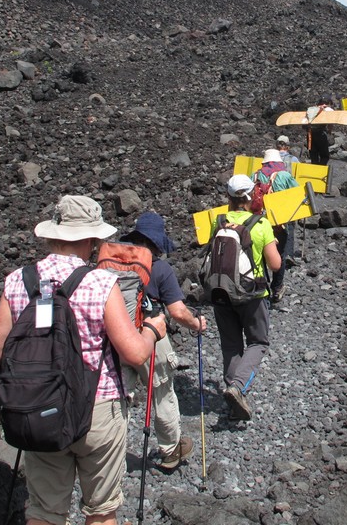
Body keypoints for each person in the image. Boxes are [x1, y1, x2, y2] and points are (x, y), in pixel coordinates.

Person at [0, 194, 166, 525]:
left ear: (53, 233)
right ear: (93, 239)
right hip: (97, 407)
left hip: (39, 406)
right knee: (100, 511)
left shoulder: (19, 280)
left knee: (43, 511)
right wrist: (154, 330)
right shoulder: (99, 282)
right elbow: (135, 353)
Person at [119, 212, 207, 470]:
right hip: (151, 337)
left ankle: (110, 456)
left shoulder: (116, 265)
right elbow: (178, 312)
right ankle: (170, 451)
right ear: (157, 243)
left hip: (118, 336)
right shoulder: (159, 268)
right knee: (162, 393)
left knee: (120, 396)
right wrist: (196, 324)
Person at [210, 174, 282, 421]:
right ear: (253, 196)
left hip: (221, 293)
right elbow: (275, 264)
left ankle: (233, 393)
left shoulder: (218, 221)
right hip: (253, 294)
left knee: (231, 346)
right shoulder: (260, 224)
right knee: (258, 342)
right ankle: (238, 387)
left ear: (228, 197)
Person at [251, 150, 298, 304]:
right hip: (278, 222)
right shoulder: (284, 176)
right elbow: (297, 194)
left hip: (258, 222)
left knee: (260, 253)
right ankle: (277, 288)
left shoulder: (255, 176)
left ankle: (262, 286)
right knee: (280, 254)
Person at [306, 96, 334, 165]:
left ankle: (314, 171)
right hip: (320, 134)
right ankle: (321, 170)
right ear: (328, 103)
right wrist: (329, 131)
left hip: (310, 135)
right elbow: (331, 123)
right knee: (324, 156)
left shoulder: (311, 109)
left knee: (313, 156)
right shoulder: (329, 110)